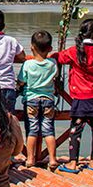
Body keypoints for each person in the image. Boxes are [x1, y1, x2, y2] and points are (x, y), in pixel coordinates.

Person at [53, 18, 93, 173]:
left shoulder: (74, 51)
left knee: (76, 129)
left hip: (81, 96)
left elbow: (58, 57)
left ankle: (72, 162)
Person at [17, 30, 59, 169]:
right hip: (48, 100)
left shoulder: (28, 64)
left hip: (31, 100)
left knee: (32, 131)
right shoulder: (53, 63)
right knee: (48, 130)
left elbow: (21, 81)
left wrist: (18, 88)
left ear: (32, 47)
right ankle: (52, 159)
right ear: (50, 49)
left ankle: (30, 159)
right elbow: (56, 77)